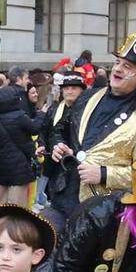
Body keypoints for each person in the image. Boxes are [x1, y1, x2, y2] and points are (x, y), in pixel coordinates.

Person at [62, 35, 136, 205]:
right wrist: (59, 146)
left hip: (103, 210)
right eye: (118, 63)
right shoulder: (89, 97)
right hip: (65, 196)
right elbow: (62, 129)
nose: (118, 69)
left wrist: (105, 174)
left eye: (127, 66)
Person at [0, 83, 41, 210]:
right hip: (18, 163)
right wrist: (41, 115)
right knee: (17, 205)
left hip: (0, 163)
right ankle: (14, 228)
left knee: (2, 201)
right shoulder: (19, 116)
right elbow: (35, 129)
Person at [40, 72, 86, 228]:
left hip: (78, 167)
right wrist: (42, 145)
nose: (69, 91)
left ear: (82, 90)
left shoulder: (86, 111)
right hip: (54, 165)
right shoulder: (55, 109)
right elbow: (46, 131)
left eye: (74, 88)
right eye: (66, 88)